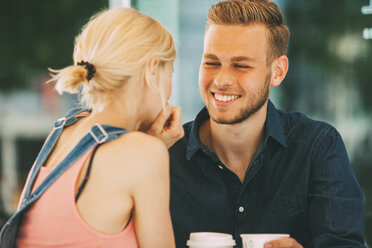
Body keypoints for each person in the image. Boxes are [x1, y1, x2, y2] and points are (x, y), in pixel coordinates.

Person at [167, 0, 366, 247]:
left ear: (278, 72)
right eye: (212, 62)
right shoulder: (166, 154)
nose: (222, 79)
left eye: (241, 65)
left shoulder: (317, 148)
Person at [12, 7, 183, 248]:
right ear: (153, 70)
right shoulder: (144, 154)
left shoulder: (64, 130)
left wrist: (146, 142)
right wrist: (152, 147)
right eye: (170, 74)